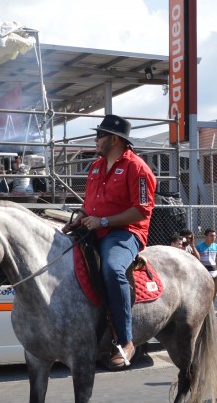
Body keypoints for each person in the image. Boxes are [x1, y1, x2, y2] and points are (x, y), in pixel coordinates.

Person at [63, 114, 156, 368]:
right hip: (92, 227)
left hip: (124, 233)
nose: (95, 140)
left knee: (113, 270)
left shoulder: (138, 168)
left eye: (100, 135)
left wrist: (103, 222)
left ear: (114, 139)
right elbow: (90, 204)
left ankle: (125, 340)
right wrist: (79, 217)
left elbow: (141, 211)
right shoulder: (95, 167)